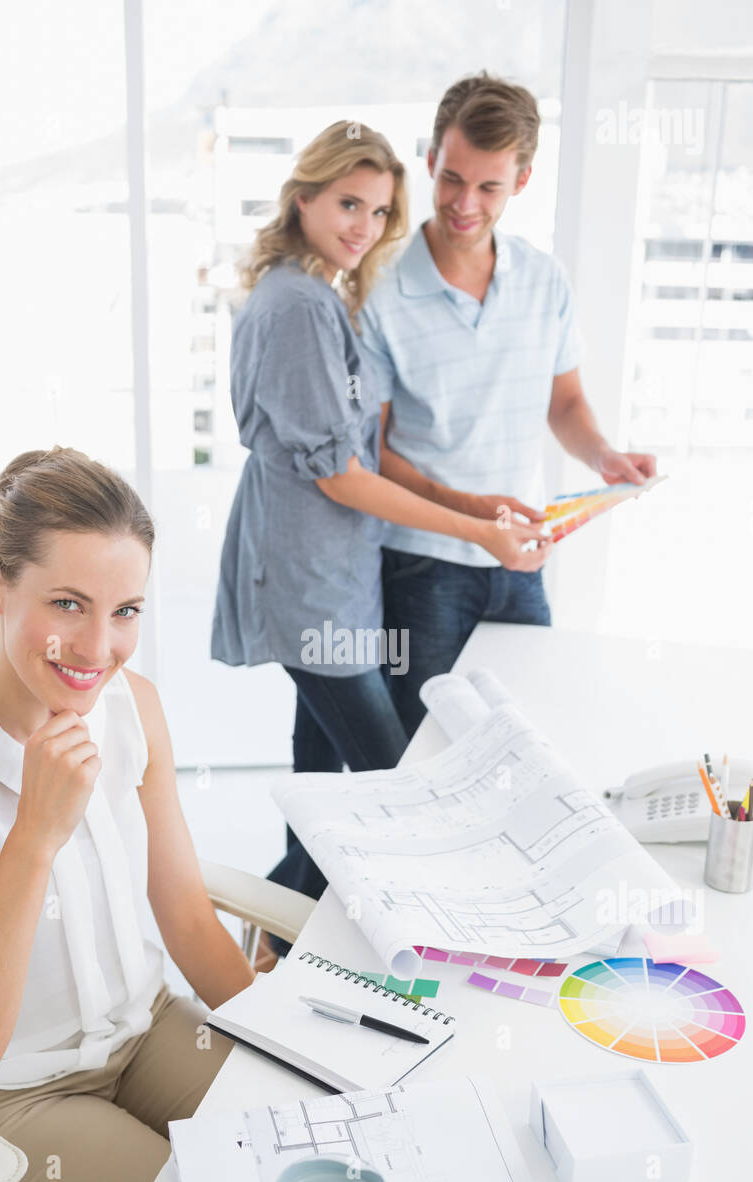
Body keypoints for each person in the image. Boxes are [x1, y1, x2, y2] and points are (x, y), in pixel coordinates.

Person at [211, 120, 551, 959]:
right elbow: (341, 475)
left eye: (377, 210)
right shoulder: (297, 305)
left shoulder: (319, 294)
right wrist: (476, 528)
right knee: (401, 785)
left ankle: (272, 947)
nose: (363, 225)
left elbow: (361, 455)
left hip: (336, 575)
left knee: (323, 784)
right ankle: (274, 945)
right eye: (347, 203)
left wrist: (476, 502)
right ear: (304, 199)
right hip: (309, 580)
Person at [0, 447, 256, 1182]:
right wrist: (34, 836)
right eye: (67, 604)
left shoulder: (133, 706)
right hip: (17, 1098)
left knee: (316, 1155)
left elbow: (184, 915)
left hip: (148, 1032)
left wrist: (298, 1051)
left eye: (126, 610)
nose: (99, 648)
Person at [360, 73, 657, 740]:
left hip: (522, 559)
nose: (465, 203)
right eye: (452, 179)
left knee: (526, 742)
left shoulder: (544, 278)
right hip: (422, 567)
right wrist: (474, 512)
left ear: (521, 182)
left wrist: (603, 454)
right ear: (431, 161)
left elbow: (567, 401)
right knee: (427, 751)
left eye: (488, 186)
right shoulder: (379, 293)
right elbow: (371, 453)